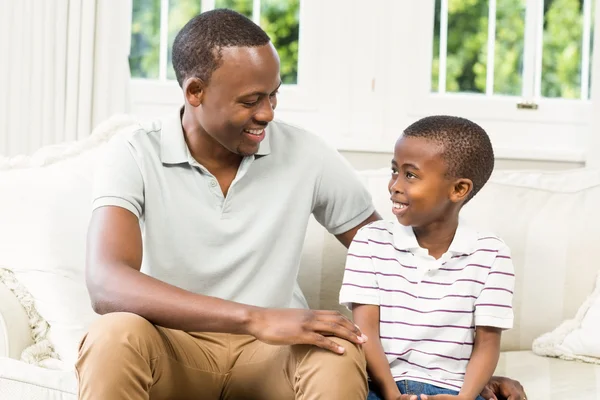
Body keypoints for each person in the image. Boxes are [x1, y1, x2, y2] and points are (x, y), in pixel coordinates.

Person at [76, 8, 527, 400]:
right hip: (175, 349)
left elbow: (394, 259)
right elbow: (106, 282)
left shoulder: (306, 153)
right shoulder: (134, 152)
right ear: (195, 92)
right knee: (114, 335)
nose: (268, 114)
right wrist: (254, 318)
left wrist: (451, 377)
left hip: (272, 359)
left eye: (273, 95)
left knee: (336, 352)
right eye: (250, 101)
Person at [340, 116, 521, 400]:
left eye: (410, 175)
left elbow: (487, 345)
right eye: (394, 171)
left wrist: (463, 399)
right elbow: (367, 334)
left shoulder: (492, 253)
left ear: (458, 190)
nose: (395, 185)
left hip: (454, 392)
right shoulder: (369, 241)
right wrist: (392, 395)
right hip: (380, 387)